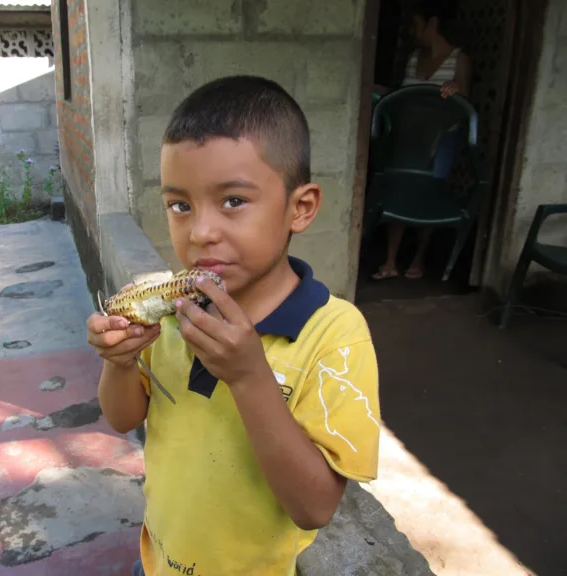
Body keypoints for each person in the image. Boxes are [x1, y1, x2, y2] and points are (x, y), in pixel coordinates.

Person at [86, 75, 381, 575]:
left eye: (233, 201)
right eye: (180, 205)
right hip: (158, 560)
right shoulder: (179, 314)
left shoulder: (335, 336)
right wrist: (120, 361)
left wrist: (249, 377)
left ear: (300, 208)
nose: (200, 232)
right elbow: (122, 418)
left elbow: (315, 508)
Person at [373, 1, 473, 280]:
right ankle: (391, 260)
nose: (412, 32)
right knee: (400, 190)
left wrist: (458, 91)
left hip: (441, 141)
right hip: (408, 139)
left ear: (432, 24)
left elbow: (465, 103)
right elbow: (403, 97)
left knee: (429, 193)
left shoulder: (459, 59)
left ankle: (418, 258)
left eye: (416, 25)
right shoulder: (414, 59)